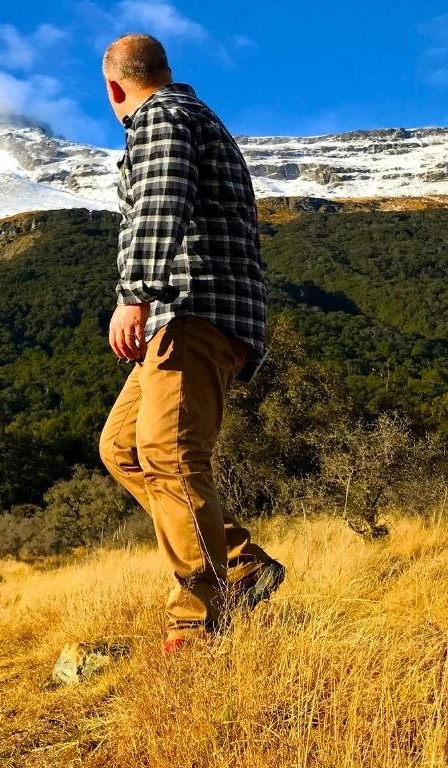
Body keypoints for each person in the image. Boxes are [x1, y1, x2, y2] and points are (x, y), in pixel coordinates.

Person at [98, 33, 286, 654]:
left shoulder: (160, 119)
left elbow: (158, 204)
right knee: (123, 447)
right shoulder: (194, 116)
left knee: (171, 456)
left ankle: (199, 616)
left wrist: (135, 292)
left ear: (115, 88)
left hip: (191, 313)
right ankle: (238, 561)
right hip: (192, 317)